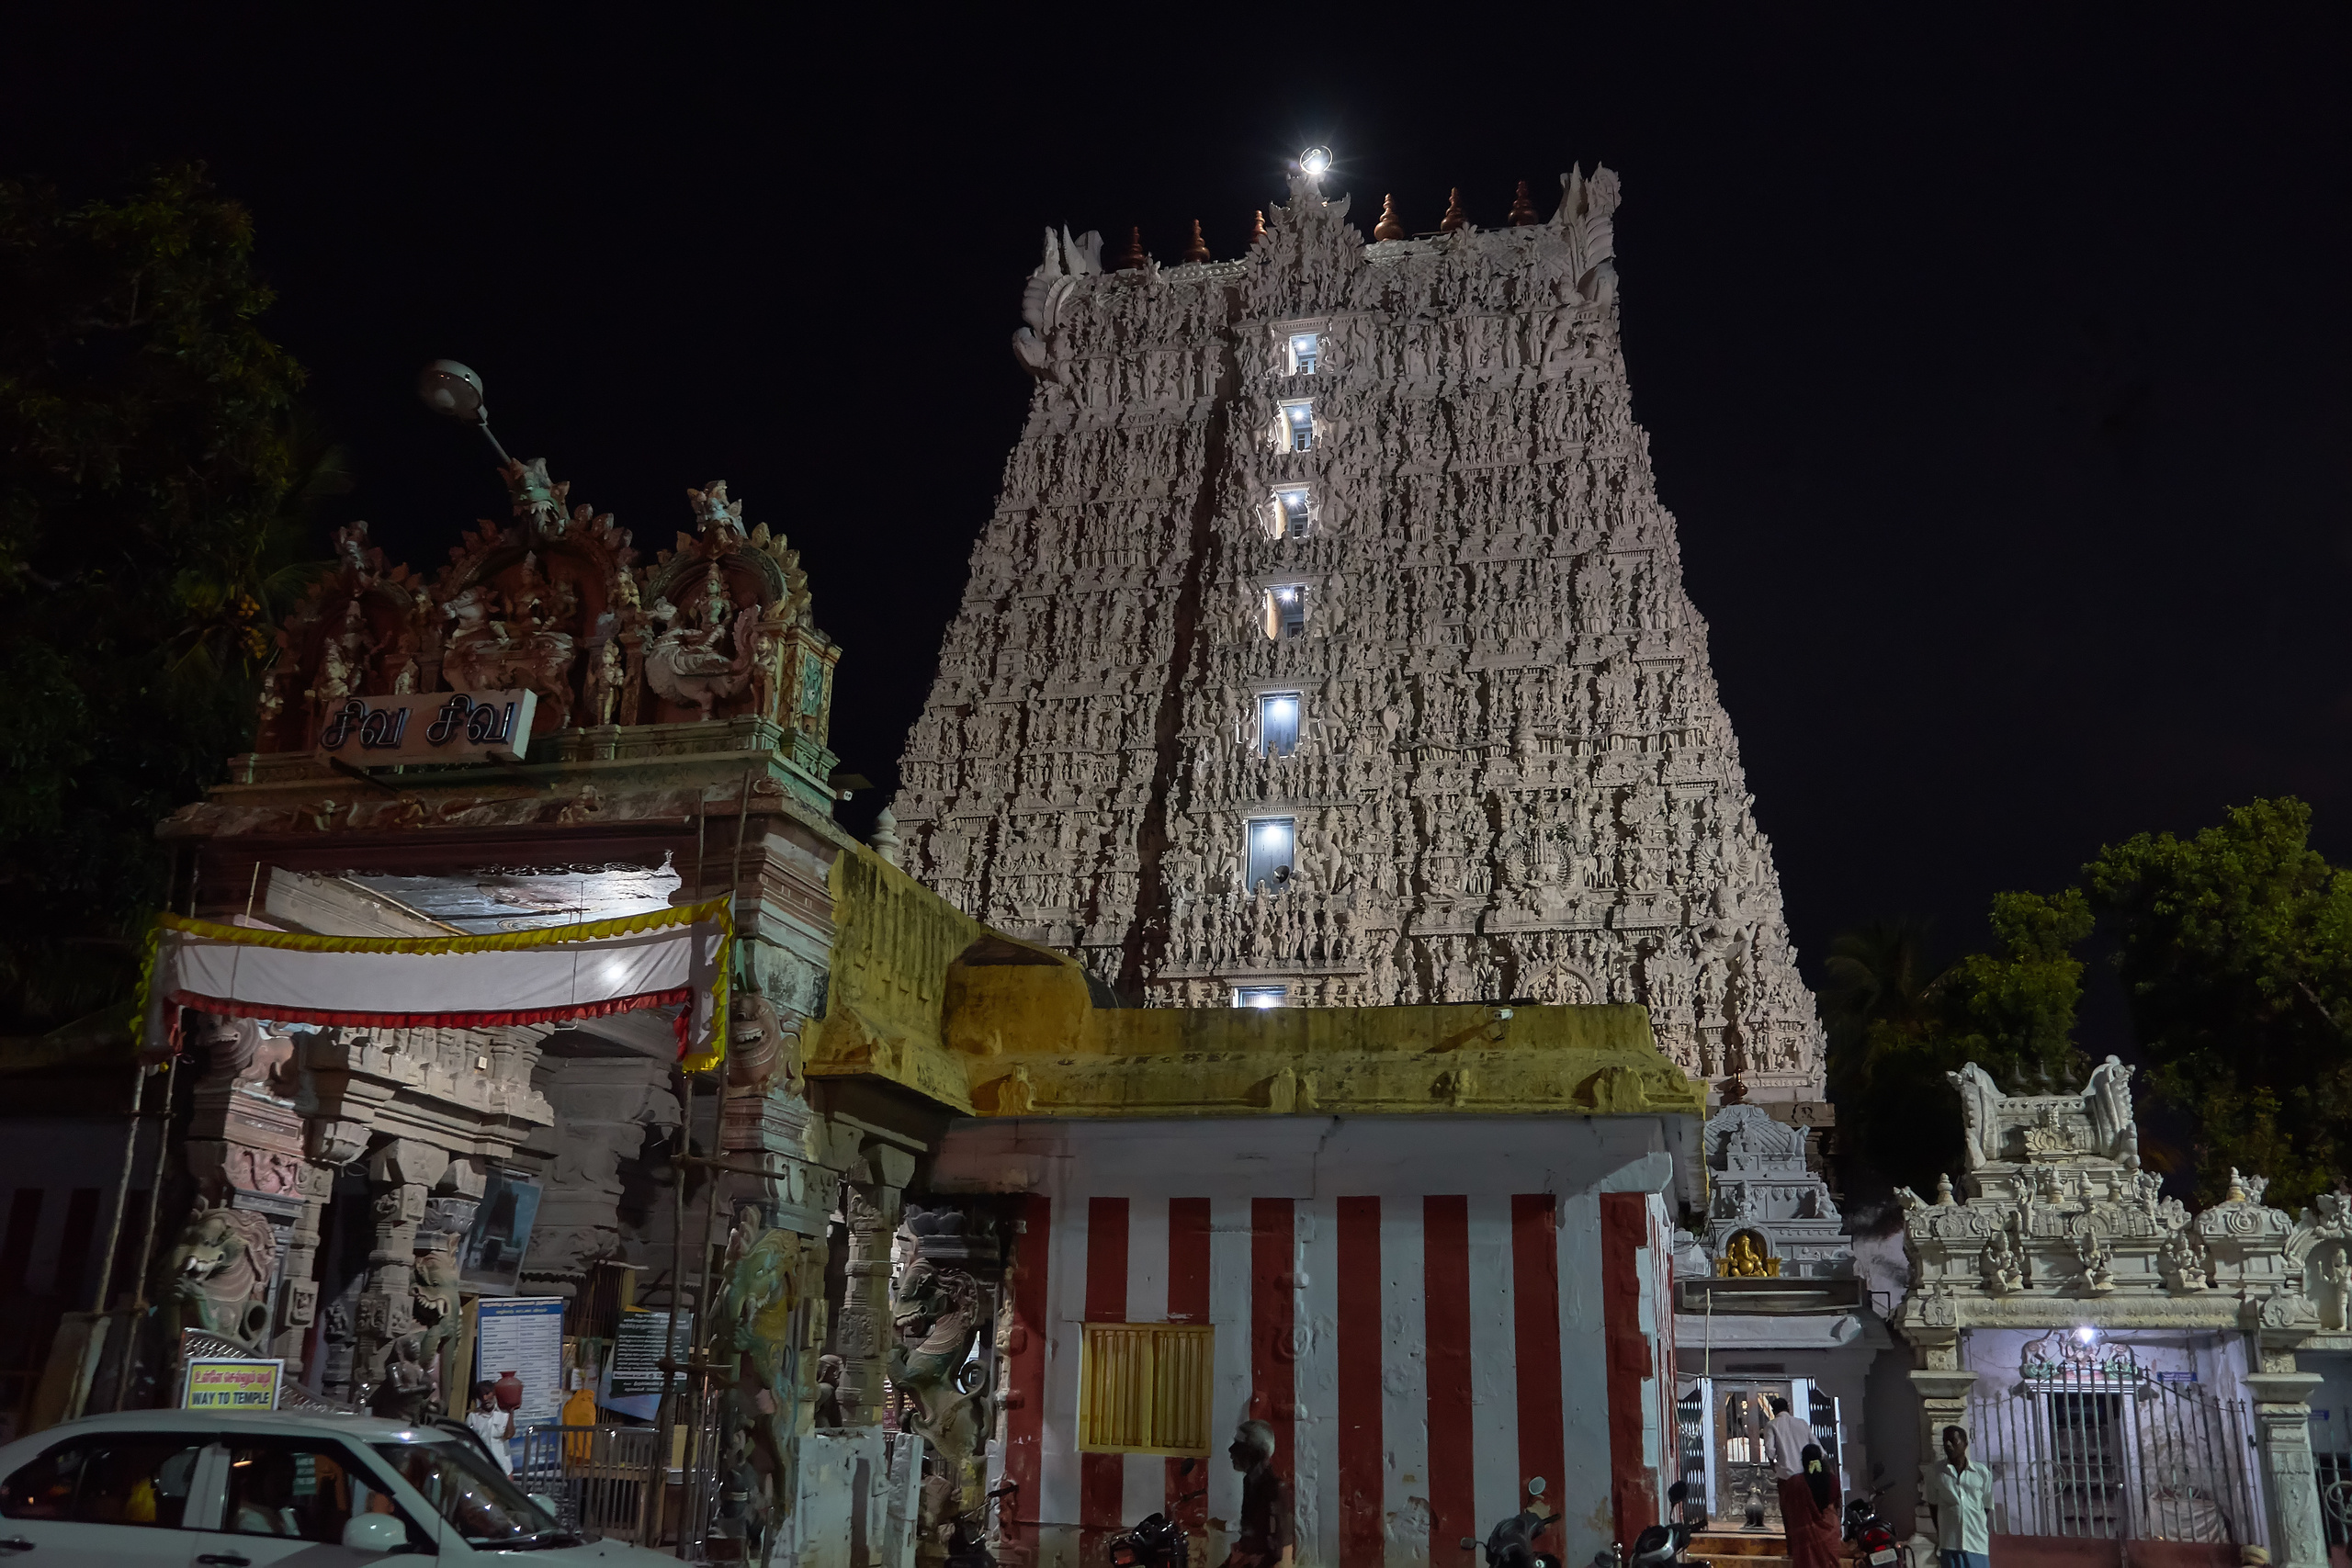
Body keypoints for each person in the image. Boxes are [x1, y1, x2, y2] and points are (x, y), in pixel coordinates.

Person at [1222, 1419, 1294, 1568]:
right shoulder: (1249, 1482)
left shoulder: (1275, 1488)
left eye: (1240, 1447)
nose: (1231, 1450)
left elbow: (1282, 1552)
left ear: (1256, 1452)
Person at [1923, 1425, 1992, 1568]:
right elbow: (1933, 1506)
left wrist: (1970, 1519)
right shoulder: (1936, 1472)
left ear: (1965, 1444)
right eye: (1945, 1441)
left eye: (1953, 1441)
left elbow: (1986, 1506)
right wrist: (1943, 1532)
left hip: (1976, 1543)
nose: (1948, 1445)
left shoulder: (1981, 1473)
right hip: (1950, 1543)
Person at [1761, 1396, 1814, 1547]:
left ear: (1773, 1411)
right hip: (1806, 1477)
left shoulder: (1772, 1425)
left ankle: (1793, 1549)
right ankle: (1807, 1546)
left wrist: (1773, 1465)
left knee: (1790, 1514)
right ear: (1789, 1408)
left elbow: (1770, 1451)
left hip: (1786, 1478)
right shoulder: (1802, 1424)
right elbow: (1818, 1448)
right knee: (1807, 1513)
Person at [1784, 1444, 1842, 1568]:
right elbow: (1837, 1503)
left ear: (1803, 1461)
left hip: (1805, 1535)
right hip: (1829, 1532)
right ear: (1821, 1459)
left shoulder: (1795, 1482)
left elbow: (1788, 1507)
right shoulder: (1833, 1480)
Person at [467, 1382, 516, 1476]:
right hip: (481, 1467)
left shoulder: (504, 1415)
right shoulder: (473, 1416)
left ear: (493, 1393)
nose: (485, 1399)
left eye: (487, 1394)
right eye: (481, 1396)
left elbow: (509, 1435)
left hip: (502, 1468)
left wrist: (510, 1413)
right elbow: (467, 1440)